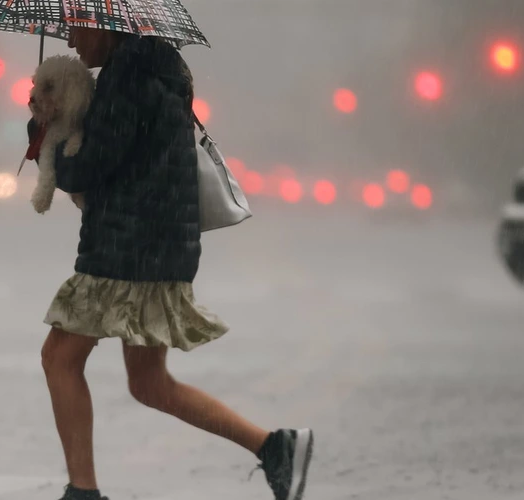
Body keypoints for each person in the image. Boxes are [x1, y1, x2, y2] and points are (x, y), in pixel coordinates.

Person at [28, 26, 314, 500]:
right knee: (149, 382)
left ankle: (83, 493)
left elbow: (94, 163)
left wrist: (44, 138)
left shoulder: (130, 76)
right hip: (153, 247)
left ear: (105, 22)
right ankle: (274, 448)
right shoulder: (150, 68)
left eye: (78, 26)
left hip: (128, 249)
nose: (72, 41)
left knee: (59, 358)